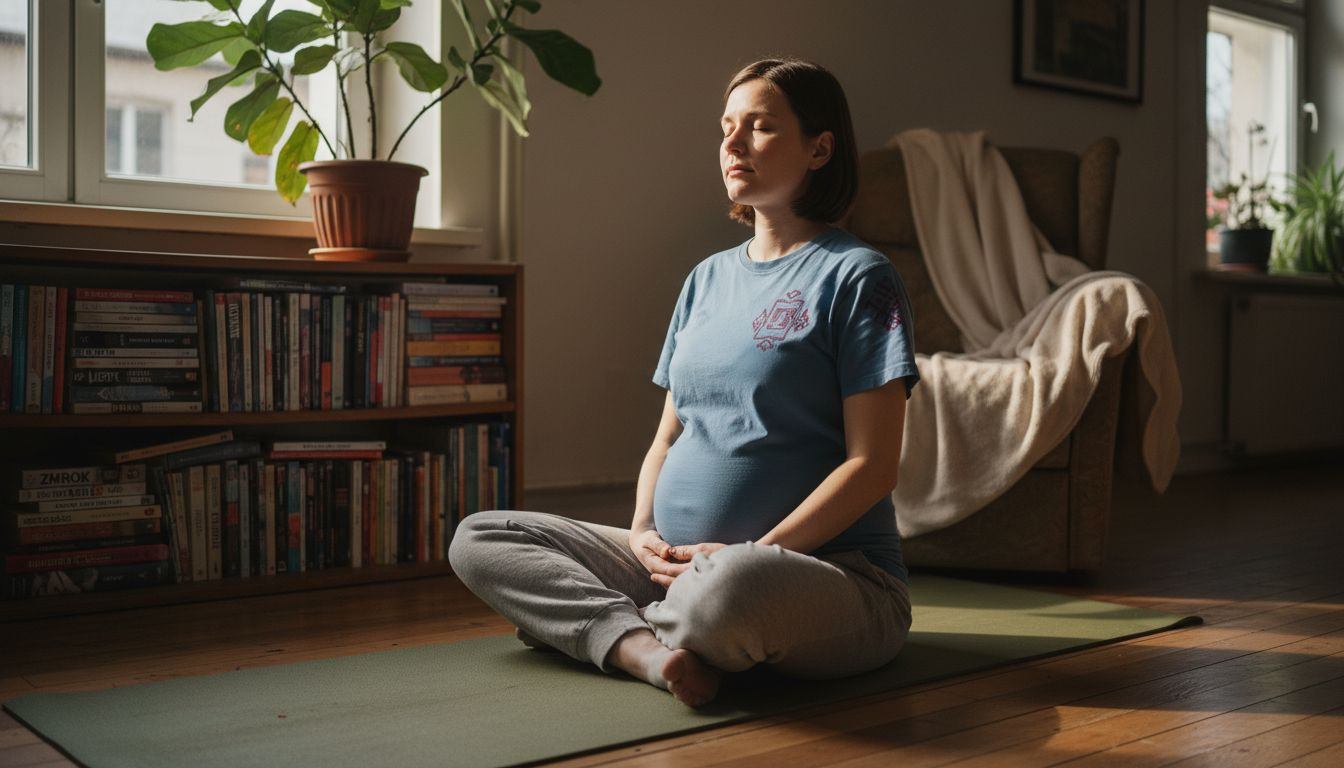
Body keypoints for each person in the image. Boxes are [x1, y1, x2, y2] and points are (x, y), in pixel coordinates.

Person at [449, 57, 919, 708]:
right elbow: (668, 433)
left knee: (734, 588)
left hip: (824, 574)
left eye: (759, 126)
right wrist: (641, 531)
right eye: (726, 127)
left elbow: (873, 467)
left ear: (820, 147)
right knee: (480, 537)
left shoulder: (861, 277)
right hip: (668, 569)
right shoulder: (705, 278)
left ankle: (599, 626)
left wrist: (737, 556)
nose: (732, 143)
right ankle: (649, 650)